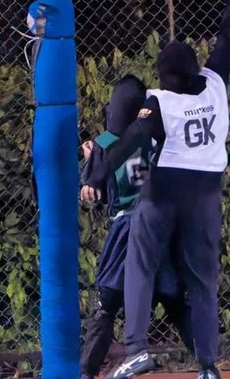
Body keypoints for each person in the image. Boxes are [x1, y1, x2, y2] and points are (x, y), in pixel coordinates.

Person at [104, 0, 230, 379]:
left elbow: (134, 141)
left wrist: (98, 167)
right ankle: (208, 365)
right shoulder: (214, 84)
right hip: (207, 190)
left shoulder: (159, 101)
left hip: (165, 187)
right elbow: (226, 36)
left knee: (141, 261)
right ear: (196, 68)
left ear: (163, 74)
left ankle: (135, 348)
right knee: (203, 280)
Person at [78, 74, 193, 379]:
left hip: (126, 227)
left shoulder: (106, 142)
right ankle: (208, 365)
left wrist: (89, 161)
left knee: (106, 303)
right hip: (159, 227)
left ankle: (86, 374)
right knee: (173, 298)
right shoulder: (156, 137)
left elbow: (93, 190)